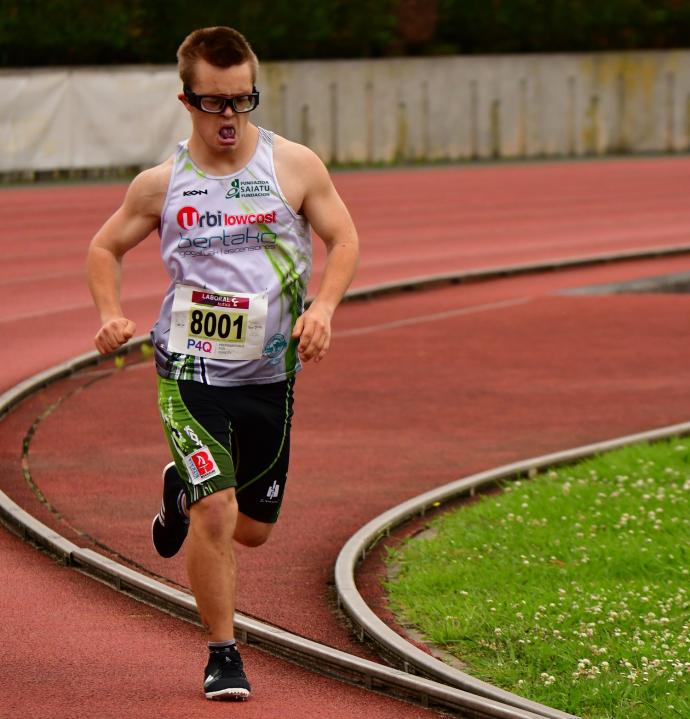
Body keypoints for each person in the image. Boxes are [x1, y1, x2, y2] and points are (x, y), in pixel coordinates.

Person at [86, 26, 358, 701]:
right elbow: (103, 247)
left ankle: (178, 489)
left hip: (269, 376)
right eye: (215, 103)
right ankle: (222, 650)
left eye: (243, 100)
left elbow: (343, 237)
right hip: (189, 372)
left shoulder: (294, 166)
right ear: (187, 100)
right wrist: (109, 314)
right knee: (217, 513)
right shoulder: (161, 184)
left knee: (255, 530)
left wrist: (321, 308)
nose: (231, 117)